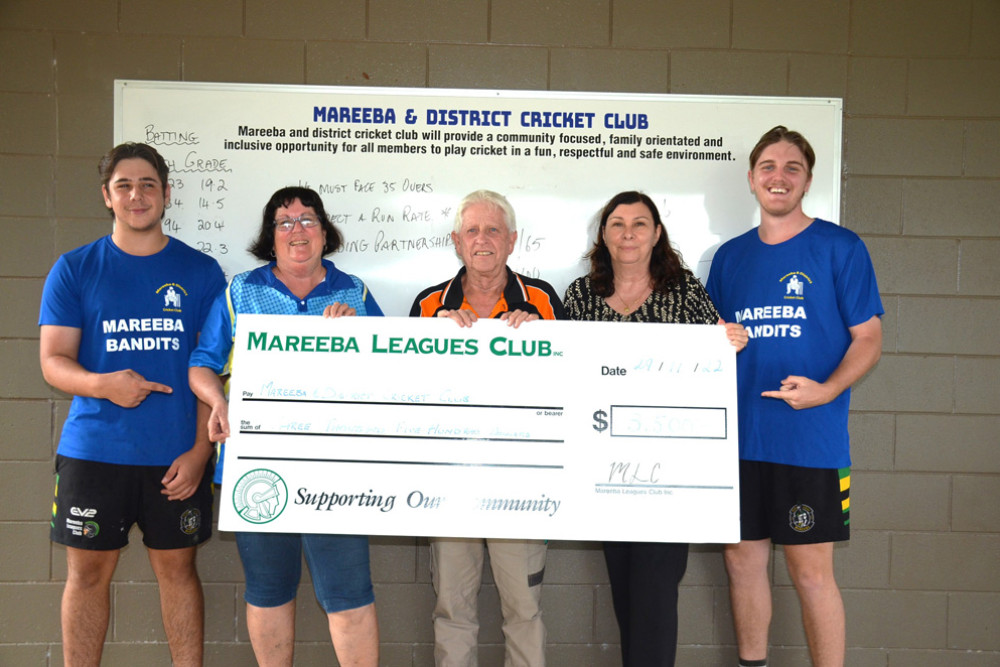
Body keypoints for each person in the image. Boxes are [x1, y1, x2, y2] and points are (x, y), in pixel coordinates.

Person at [38, 142, 226, 666]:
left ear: (166, 194)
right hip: (95, 452)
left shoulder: (203, 272)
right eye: (124, 185)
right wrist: (103, 385)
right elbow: (53, 360)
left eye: (148, 184)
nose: (136, 195)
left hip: (174, 457)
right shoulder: (75, 268)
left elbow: (211, 371)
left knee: (178, 572)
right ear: (107, 196)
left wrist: (198, 453)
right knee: (87, 576)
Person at [706, 126, 883, 667]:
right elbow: (711, 339)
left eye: (791, 168)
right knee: (742, 564)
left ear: (806, 181)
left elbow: (869, 337)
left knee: (810, 573)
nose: (778, 177)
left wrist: (826, 389)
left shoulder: (840, 247)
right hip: (739, 440)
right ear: (752, 179)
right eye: (768, 167)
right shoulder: (730, 258)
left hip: (809, 443)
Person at [188, 186, 382, 667]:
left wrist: (361, 335)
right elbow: (200, 364)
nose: (297, 230)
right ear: (270, 237)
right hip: (259, 464)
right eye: (284, 222)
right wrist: (218, 401)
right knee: (270, 590)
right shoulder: (240, 291)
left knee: (349, 593)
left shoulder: (352, 291)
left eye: (308, 219)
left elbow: (387, 363)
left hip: (335, 469)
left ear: (325, 231)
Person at [563, 190, 747, 667]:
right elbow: (561, 370)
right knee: (626, 592)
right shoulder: (581, 295)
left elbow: (716, 352)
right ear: (603, 235)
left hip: (668, 474)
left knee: (656, 594)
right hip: (603, 470)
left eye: (640, 223)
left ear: (657, 233)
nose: (628, 233)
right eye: (617, 223)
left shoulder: (683, 290)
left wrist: (729, 340)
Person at [410, 189, 564, 667]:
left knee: (524, 608)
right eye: (472, 231)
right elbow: (407, 394)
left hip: (521, 482)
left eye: (493, 230)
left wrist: (536, 336)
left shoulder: (541, 300)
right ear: (456, 241)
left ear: (512, 240)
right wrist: (438, 337)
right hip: (450, 482)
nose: (482, 240)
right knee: (452, 609)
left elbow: (567, 385)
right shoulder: (428, 304)